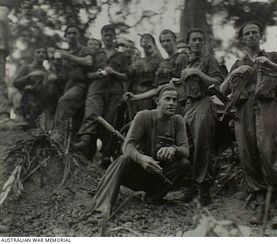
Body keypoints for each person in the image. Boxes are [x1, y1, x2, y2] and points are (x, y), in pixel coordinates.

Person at [220, 21, 277, 229]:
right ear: (243, 39)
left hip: (266, 108)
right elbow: (221, 92)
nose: (251, 36)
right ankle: (261, 201)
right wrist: (232, 75)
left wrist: (272, 66)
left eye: (255, 32)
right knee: (248, 153)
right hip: (243, 113)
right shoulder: (237, 63)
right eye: (247, 33)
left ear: (260, 35)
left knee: (269, 150)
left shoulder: (273, 56)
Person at [91, 84, 190, 217]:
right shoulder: (144, 116)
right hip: (137, 173)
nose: (172, 103)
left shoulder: (178, 121)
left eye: (174, 100)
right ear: (157, 101)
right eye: (167, 99)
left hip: (159, 176)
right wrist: (141, 158)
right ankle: (101, 208)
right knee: (123, 159)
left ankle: (153, 198)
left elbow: (185, 150)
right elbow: (127, 146)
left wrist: (173, 149)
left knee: (184, 164)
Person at [181, 29, 224, 206]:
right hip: (189, 105)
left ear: (204, 43)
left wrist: (198, 73)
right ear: (188, 43)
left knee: (202, 146)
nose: (197, 42)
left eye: (200, 40)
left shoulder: (209, 60)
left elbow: (218, 83)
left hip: (205, 102)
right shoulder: (186, 61)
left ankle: (204, 190)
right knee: (188, 145)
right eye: (194, 40)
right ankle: (190, 186)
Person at [73, 25, 128, 158]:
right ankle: (83, 146)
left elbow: (127, 76)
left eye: (110, 35)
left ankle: (106, 155)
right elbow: (86, 75)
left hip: (114, 92)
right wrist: (97, 74)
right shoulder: (95, 53)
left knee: (109, 123)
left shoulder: (122, 56)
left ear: (114, 37)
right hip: (96, 89)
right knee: (91, 115)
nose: (108, 37)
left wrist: (113, 72)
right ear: (101, 36)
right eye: (105, 35)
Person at [124, 29, 189, 116]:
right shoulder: (163, 63)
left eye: (168, 40)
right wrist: (135, 97)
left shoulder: (182, 58)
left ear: (175, 41)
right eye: (163, 41)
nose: (165, 44)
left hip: (178, 102)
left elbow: (186, 83)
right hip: (164, 104)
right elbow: (157, 89)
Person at [51, 25, 94, 144]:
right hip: (69, 85)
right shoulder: (66, 53)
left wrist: (68, 57)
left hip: (82, 85)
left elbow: (88, 61)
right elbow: (64, 76)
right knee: (75, 119)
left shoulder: (84, 50)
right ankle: (68, 146)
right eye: (69, 33)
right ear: (65, 36)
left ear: (79, 35)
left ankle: (57, 134)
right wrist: (58, 65)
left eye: (74, 33)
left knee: (64, 102)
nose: (71, 35)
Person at [126, 34, 163, 118]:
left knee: (145, 119)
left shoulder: (157, 59)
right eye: (143, 40)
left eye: (148, 39)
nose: (145, 41)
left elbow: (160, 62)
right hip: (133, 93)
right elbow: (128, 76)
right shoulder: (139, 60)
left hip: (147, 95)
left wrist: (153, 47)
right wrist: (132, 67)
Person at [13, 46, 47, 126]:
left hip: (41, 101)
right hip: (27, 99)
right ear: (33, 55)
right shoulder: (27, 68)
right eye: (38, 52)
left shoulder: (45, 70)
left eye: (43, 52)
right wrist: (29, 75)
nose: (41, 54)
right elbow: (15, 83)